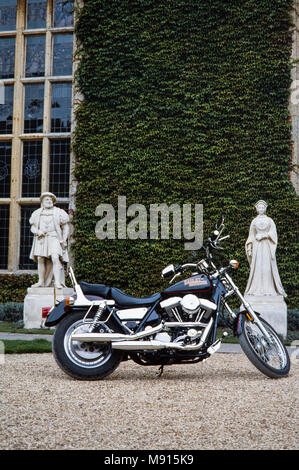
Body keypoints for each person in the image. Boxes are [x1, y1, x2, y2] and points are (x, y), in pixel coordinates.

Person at [245, 200, 287, 297]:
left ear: (265, 209)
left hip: (267, 246)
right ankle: (257, 289)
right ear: (256, 209)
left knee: (267, 267)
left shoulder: (270, 221)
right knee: (258, 268)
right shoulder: (254, 221)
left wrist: (264, 235)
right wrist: (249, 248)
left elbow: (273, 234)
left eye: (262, 207)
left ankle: (269, 290)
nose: (261, 209)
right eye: (259, 207)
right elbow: (251, 236)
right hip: (257, 247)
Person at [29, 192, 70, 289]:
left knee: (55, 257)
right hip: (41, 239)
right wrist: (38, 231)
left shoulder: (59, 212)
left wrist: (64, 239)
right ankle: (41, 281)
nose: (49, 201)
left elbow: (66, 227)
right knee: (40, 259)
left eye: (51, 199)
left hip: (54, 238)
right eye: (47, 199)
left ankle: (57, 282)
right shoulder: (37, 213)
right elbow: (33, 228)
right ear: (42, 202)